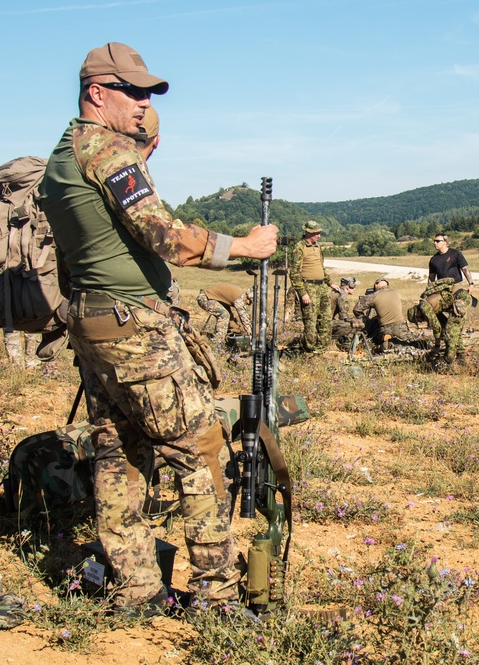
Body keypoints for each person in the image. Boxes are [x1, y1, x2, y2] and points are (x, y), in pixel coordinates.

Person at [39, 42, 278, 615]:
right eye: (134, 92)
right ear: (97, 93)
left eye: (149, 93)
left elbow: (100, 235)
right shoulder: (109, 150)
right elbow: (163, 235)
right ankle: (217, 596)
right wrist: (243, 246)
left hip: (94, 323)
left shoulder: (63, 155)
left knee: (117, 456)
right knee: (196, 449)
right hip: (135, 328)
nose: (144, 103)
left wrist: (142, 153)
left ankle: (136, 588)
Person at [289, 221, 336, 353]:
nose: (319, 236)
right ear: (308, 232)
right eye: (316, 233)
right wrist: (302, 292)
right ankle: (309, 350)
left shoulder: (318, 247)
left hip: (321, 287)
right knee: (310, 320)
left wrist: (330, 282)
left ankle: (322, 348)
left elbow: (321, 267)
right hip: (309, 286)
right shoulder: (299, 248)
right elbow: (294, 273)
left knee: (326, 319)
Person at [427, 234, 473, 360]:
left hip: (456, 287)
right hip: (441, 291)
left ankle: (457, 354)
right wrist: (429, 293)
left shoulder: (455, 254)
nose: (435, 243)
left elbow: (465, 269)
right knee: (447, 322)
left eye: (438, 241)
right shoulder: (433, 260)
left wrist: (471, 284)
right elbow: (431, 278)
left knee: (456, 319)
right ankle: (458, 352)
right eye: (434, 241)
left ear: (445, 242)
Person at [407, 278, 466, 364]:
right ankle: (460, 356)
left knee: (451, 328)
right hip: (459, 296)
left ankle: (448, 359)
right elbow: (440, 325)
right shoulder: (428, 305)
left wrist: (437, 346)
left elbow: (436, 327)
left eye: (418, 320)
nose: (421, 321)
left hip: (460, 298)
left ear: (417, 314)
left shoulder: (424, 308)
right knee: (451, 327)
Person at [352, 277, 415, 347]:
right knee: (408, 344)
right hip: (401, 327)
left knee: (371, 341)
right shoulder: (396, 292)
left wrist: (365, 319)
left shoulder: (374, 295)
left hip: (386, 329)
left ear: (376, 285)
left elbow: (356, 309)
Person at [329, 276, 360, 342]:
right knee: (350, 325)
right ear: (347, 287)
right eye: (353, 287)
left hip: (322, 320)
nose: (355, 289)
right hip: (325, 323)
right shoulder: (342, 296)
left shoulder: (334, 292)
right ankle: (331, 339)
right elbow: (343, 317)